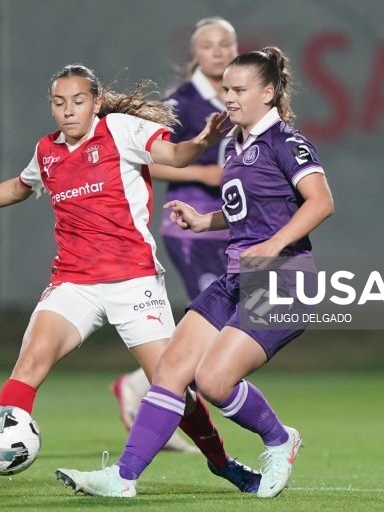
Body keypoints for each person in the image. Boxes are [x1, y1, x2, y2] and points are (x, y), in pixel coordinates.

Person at [0, 64, 258, 493]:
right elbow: (20, 185)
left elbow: (175, 156)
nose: (68, 110)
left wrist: (202, 141)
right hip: (74, 284)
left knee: (172, 383)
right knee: (30, 363)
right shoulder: (46, 151)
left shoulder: (120, 130)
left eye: (78, 101)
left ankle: (221, 461)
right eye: (59, 102)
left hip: (133, 281)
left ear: (96, 103)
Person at [56, 47, 334, 499]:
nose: (229, 97)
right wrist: (206, 221)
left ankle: (280, 439)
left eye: (240, 90)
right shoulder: (234, 144)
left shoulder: (288, 142)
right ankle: (123, 478)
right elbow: (249, 209)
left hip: (282, 278)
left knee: (213, 381)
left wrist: (274, 245)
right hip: (234, 276)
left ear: (268, 93)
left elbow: (321, 202)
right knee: (171, 369)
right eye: (226, 89)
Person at [111, 16, 239, 456]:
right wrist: (204, 170)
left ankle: (137, 385)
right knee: (215, 330)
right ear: (196, 54)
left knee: (241, 327)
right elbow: (145, 158)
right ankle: (164, 405)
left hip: (235, 226)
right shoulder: (180, 102)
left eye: (227, 43)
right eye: (209, 45)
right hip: (191, 226)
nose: (219, 51)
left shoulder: (247, 98)